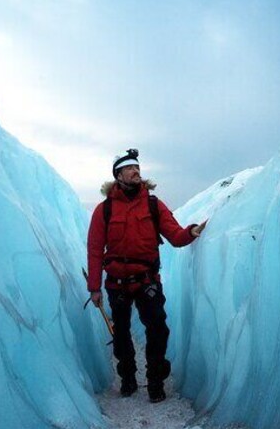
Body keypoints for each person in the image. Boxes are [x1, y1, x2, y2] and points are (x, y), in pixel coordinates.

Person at [86, 149, 207, 402]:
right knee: (120, 334)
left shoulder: (153, 205)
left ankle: (155, 382)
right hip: (116, 283)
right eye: (129, 168)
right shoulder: (104, 210)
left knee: (158, 329)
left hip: (147, 280)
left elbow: (174, 235)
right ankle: (128, 378)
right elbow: (95, 250)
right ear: (118, 175)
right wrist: (94, 288)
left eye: (137, 168)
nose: (136, 172)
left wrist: (191, 232)